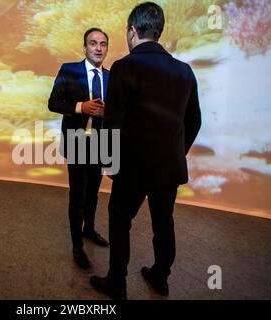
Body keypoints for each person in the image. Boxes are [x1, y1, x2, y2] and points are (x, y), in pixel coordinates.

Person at [90, 2, 201, 299]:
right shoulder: (185, 71)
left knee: (119, 219)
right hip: (168, 167)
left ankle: (117, 282)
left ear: (133, 31)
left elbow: (113, 121)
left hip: (132, 167)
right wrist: (176, 152)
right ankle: (160, 278)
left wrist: (109, 162)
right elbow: (194, 121)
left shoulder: (125, 66)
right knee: (164, 223)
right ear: (159, 31)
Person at [48, 28, 111, 269]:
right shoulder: (69, 70)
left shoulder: (111, 76)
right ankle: (77, 245)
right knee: (78, 194)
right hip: (76, 141)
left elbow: (116, 110)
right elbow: (53, 103)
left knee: (93, 192)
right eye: (93, 43)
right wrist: (80, 107)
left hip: (101, 142)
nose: (98, 48)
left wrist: (110, 112)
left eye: (103, 44)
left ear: (106, 49)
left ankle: (90, 229)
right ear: (84, 47)